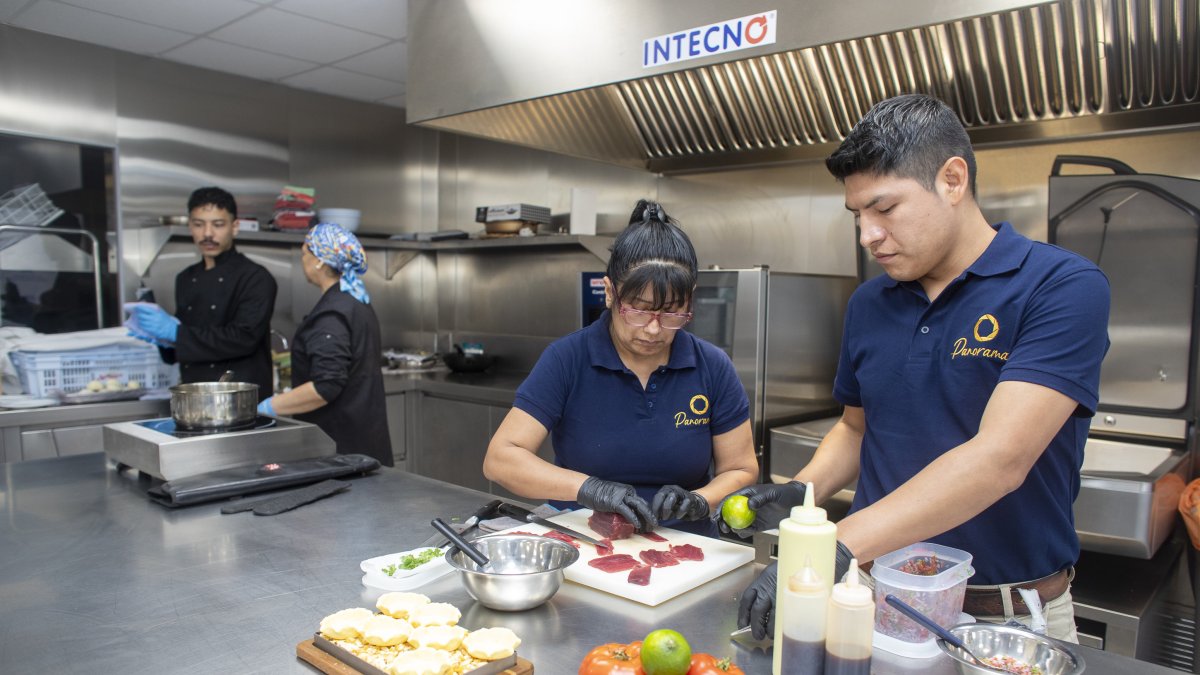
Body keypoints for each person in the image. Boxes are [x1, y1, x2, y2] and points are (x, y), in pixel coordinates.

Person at [728, 94, 1110, 642]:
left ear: (952, 180)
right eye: (857, 215)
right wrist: (802, 492)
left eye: (885, 209)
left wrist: (835, 546)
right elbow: (857, 428)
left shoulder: (1061, 286)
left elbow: (999, 459)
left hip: (1005, 616)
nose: (868, 235)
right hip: (870, 598)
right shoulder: (869, 303)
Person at [483, 200, 759, 537]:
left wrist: (702, 500)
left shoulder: (712, 367)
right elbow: (501, 459)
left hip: (685, 544)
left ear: (691, 301)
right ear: (611, 293)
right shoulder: (568, 358)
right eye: (640, 311)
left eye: (672, 314)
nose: (654, 329)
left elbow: (741, 468)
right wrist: (590, 489)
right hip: (584, 537)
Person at [256, 223, 392, 467]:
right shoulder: (356, 300)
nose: (303, 261)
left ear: (319, 260)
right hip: (363, 443)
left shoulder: (332, 314)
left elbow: (325, 387)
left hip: (340, 451)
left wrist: (268, 407)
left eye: (305, 254)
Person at [129, 187, 276, 400]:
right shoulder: (185, 278)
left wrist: (176, 334)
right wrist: (165, 342)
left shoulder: (255, 278)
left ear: (234, 227)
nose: (207, 234)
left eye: (218, 224)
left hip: (240, 400)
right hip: (194, 396)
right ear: (190, 226)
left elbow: (244, 338)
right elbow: (189, 339)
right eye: (199, 224)